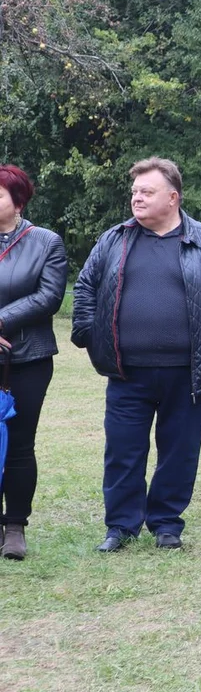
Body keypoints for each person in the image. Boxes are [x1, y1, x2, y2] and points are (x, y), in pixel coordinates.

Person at [73, 157, 201, 552]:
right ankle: (120, 527)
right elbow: (85, 288)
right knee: (122, 451)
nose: (137, 198)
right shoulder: (113, 240)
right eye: (135, 191)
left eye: (146, 192)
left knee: (179, 453)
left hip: (187, 374)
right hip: (125, 371)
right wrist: (89, 335)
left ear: (173, 197)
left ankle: (167, 524)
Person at [0, 165, 68, 560]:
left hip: (27, 358)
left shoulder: (45, 242)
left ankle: (15, 527)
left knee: (20, 445)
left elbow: (49, 297)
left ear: (18, 200)